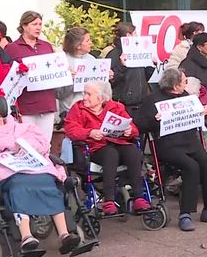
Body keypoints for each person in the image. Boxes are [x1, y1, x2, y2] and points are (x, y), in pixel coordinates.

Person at [0, 100, 81, 254]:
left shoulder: (19, 127)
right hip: (7, 174)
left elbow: (42, 143)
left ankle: (64, 234)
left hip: (33, 168)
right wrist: (3, 144)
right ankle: (27, 236)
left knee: (48, 182)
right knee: (18, 186)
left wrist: (25, 146)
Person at [133, 68, 207, 232]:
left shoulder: (185, 96)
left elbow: (193, 116)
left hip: (189, 141)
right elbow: (140, 125)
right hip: (168, 144)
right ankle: (185, 214)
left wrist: (204, 113)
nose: (186, 84)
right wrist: (155, 120)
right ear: (175, 85)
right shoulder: (152, 100)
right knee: (191, 167)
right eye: (184, 81)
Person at [63, 80, 151, 215]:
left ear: (101, 98)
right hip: (95, 147)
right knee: (110, 153)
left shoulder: (116, 107)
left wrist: (129, 131)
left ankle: (139, 197)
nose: (84, 97)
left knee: (133, 151)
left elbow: (133, 128)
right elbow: (70, 129)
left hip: (118, 142)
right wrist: (89, 133)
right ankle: (108, 200)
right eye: (84, 93)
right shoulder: (78, 108)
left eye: (88, 94)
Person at [5, 11, 57, 141]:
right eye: (34, 24)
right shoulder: (11, 48)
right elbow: (7, 74)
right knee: (27, 144)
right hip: (26, 104)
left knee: (45, 143)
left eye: (40, 24)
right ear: (24, 25)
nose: (38, 27)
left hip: (47, 102)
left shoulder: (46, 46)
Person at [107, 22, 155, 117]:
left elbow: (145, 77)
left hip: (141, 103)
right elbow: (112, 81)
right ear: (128, 35)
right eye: (135, 33)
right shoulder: (113, 55)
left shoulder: (138, 52)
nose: (138, 36)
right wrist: (122, 66)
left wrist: (151, 64)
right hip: (124, 106)